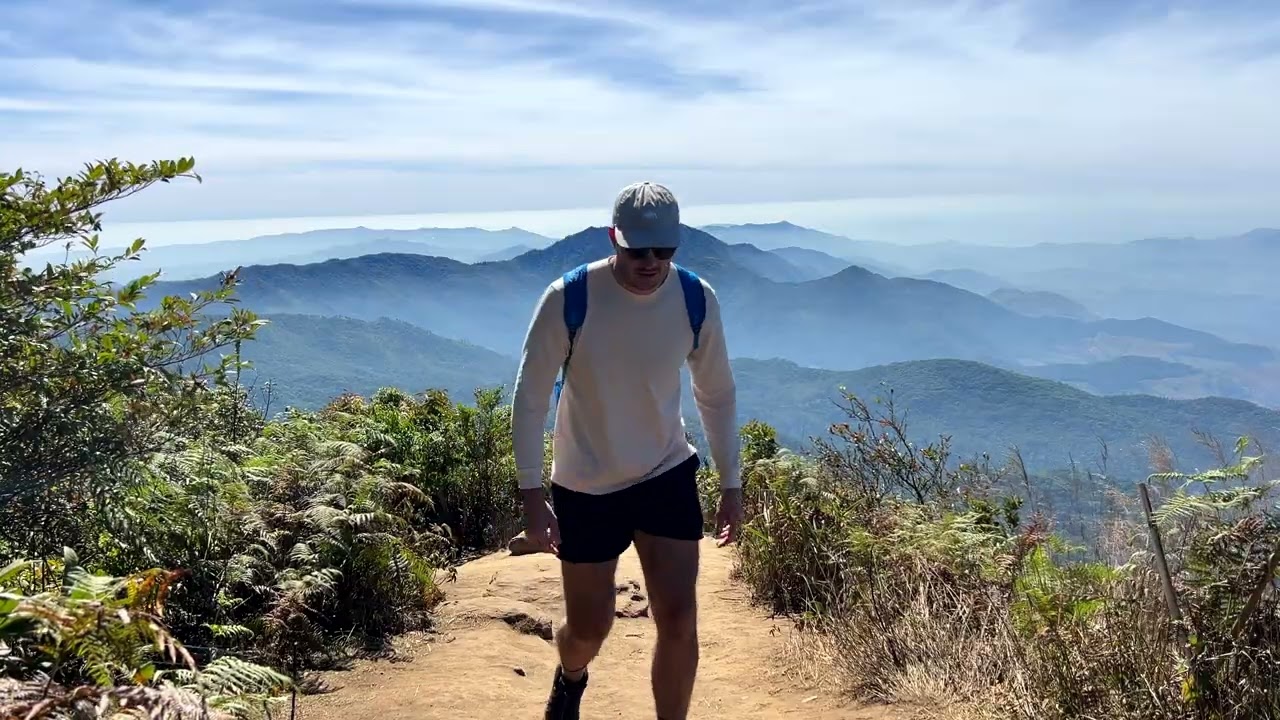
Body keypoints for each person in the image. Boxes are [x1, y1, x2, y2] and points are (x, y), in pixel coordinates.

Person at [510, 180, 743, 720]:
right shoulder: (570, 298)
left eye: (663, 250)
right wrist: (531, 496)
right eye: (637, 249)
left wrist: (732, 483)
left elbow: (717, 394)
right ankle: (571, 676)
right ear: (614, 238)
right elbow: (529, 397)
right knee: (589, 628)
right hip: (585, 483)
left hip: (665, 471)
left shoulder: (694, 299)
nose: (650, 262)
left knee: (680, 619)